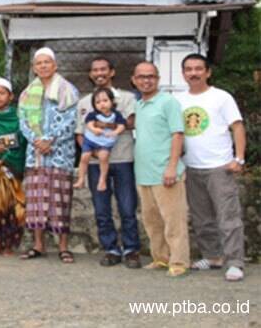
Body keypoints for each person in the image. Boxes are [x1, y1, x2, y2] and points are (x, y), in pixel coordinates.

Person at [175, 53, 246, 282]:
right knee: (201, 217)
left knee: (228, 217)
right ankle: (213, 256)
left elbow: (237, 127)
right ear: (183, 73)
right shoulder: (178, 100)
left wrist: (239, 158)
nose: (193, 73)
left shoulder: (221, 97)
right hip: (192, 167)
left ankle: (235, 262)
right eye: (188, 69)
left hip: (220, 166)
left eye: (198, 69)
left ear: (208, 72)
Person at [74, 57, 141, 268]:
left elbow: (130, 122)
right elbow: (80, 132)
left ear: (112, 72)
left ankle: (131, 250)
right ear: (90, 74)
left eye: (103, 69)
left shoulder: (127, 97)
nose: (99, 73)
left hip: (123, 158)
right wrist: (91, 151)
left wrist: (102, 123)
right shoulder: (84, 102)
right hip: (95, 162)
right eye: (95, 70)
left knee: (127, 207)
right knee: (101, 209)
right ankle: (111, 248)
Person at [18, 47, 78, 263]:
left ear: (55, 65)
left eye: (47, 62)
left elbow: (71, 120)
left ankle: (63, 247)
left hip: (60, 155)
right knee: (36, 202)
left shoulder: (67, 90)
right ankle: (38, 246)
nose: (43, 66)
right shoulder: (27, 93)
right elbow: (23, 121)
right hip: (35, 156)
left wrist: (50, 139)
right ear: (34, 68)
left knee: (60, 201)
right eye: (39, 63)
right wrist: (37, 140)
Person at [132, 61, 189, 277]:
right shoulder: (139, 105)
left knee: (174, 220)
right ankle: (161, 258)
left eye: (151, 76)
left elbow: (178, 134)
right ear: (134, 80)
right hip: (144, 173)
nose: (146, 80)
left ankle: (179, 261)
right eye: (141, 77)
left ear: (157, 79)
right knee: (152, 220)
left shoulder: (168, 102)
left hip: (166, 172)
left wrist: (172, 166)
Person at [0, 77, 27, 256]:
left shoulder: (19, 117)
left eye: (2, 93)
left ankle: (10, 244)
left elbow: (22, 141)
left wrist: (5, 157)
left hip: (12, 168)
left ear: (11, 96)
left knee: (14, 207)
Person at [74, 88, 126, 192]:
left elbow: (122, 126)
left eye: (105, 101)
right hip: (90, 140)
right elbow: (89, 124)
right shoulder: (93, 114)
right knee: (84, 157)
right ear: (94, 105)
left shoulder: (116, 115)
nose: (102, 104)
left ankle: (102, 180)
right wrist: (94, 129)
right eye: (98, 102)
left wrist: (115, 132)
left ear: (112, 101)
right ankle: (81, 179)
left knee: (103, 157)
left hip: (105, 142)